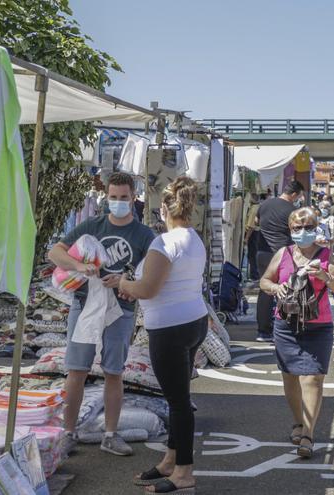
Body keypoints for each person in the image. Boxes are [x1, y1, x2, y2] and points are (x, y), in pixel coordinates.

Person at [48, 171, 155, 457]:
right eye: (113, 197)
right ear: (105, 198)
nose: (118, 203)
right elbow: (55, 253)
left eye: (123, 198)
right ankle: (68, 433)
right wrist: (78, 265)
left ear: (134, 198)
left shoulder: (145, 235)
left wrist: (126, 282)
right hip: (84, 304)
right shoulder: (92, 225)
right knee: (76, 370)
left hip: (121, 309)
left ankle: (110, 434)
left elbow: (151, 273)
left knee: (113, 371)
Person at [119, 177, 208, 494]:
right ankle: (172, 458)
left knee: (179, 402)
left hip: (169, 329)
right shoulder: (193, 238)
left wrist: (122, 284)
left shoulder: (164, 244)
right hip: (194, 321)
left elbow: (147, 288)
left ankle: (184, 472)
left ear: (162, 208)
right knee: (178, 399)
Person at [259, 207, 334, 459]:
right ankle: (298, 422)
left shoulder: (327, 256)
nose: (303, 232)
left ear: (316, 227)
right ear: (290, 230)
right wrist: (276, 287)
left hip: (318, 325)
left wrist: (324, 275)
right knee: (290, 376)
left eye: (308, 227)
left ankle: (308, 434)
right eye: (298, 228)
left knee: (313, 377)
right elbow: (264, 280)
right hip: (286, 324)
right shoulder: (283, 254)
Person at [254, 180, 305, 342]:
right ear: (294, 194)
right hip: (283, 255)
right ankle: (286, 329)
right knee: (287, 290)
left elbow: (256, 222)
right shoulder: (293, 211)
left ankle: (263, 331)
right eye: (300, 196)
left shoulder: (264, 205)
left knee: (265, 290)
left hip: (262, 252)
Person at [244, 193, 266, 280]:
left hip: (254, 234)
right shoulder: (259, 206)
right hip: (257, 233)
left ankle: (255, 275)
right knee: (253, 254)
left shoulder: (254, 208)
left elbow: (251, 226)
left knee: (252, 255)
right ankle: (255, 274)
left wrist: (246, 238)